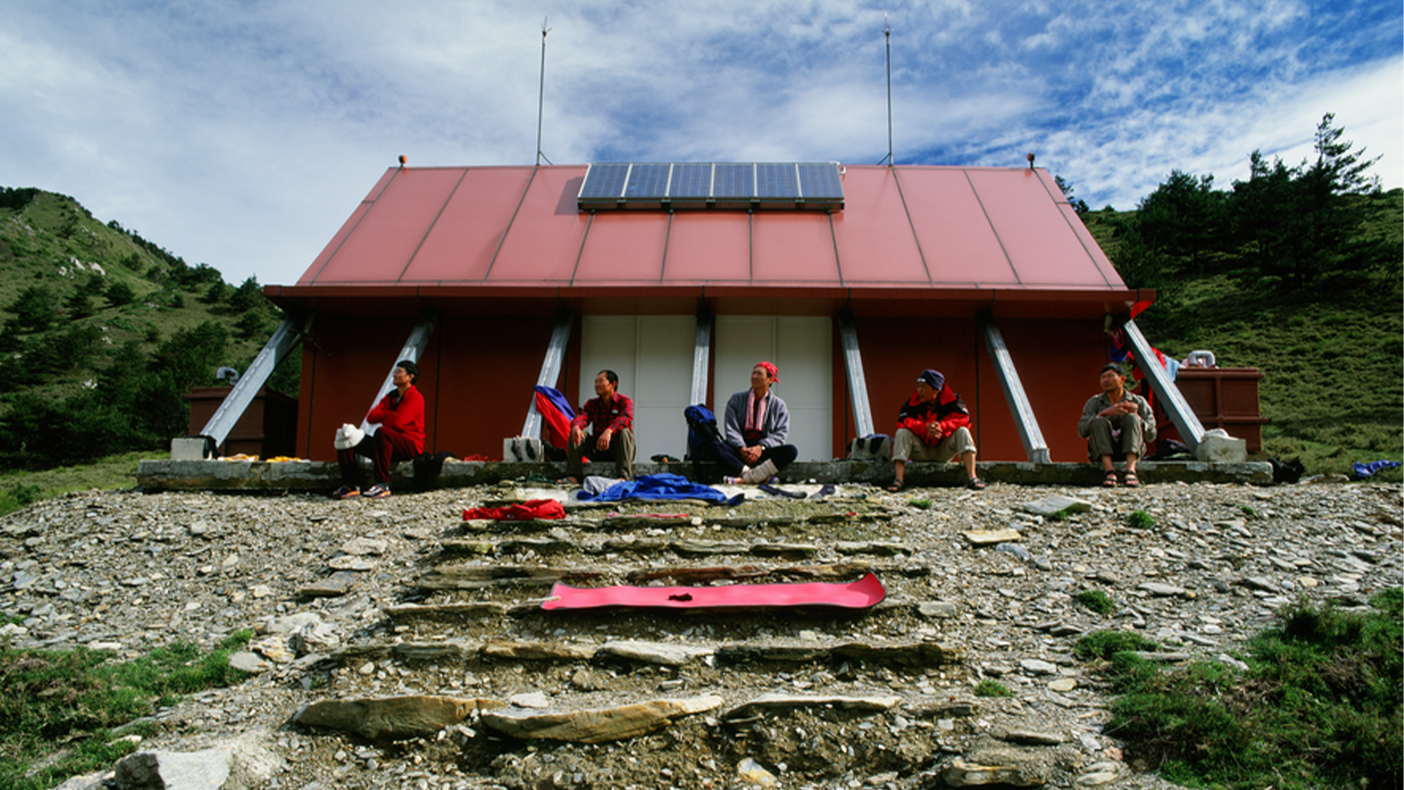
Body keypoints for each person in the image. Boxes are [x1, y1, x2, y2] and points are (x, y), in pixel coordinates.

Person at [332, 359, 425, 499]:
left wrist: (385, 415)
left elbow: (399, 423)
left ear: (410, 377)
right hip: (386, 444)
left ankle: (382, 484)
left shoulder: (415, 398)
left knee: (382, 432)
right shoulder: (392, 396)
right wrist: (390, 415)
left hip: (409, 444)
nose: (394, 374)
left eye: (398, 372)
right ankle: (350, 484)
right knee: (346, 435)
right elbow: (371, 416)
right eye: (395, 371)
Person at [889, 369, 985, 491]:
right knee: (902, 432)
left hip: (943, 450)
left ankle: (973, 478)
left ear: (936, 390)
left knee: (963, 431)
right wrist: (924, 428)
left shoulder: (953, 402)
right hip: (921, 450)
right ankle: (898, 479)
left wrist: (942, 427)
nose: (919, 391)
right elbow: (902, 422)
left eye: (924, 387)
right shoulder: (912, 403)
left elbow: (965, 419)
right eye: (918, 386)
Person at [714, 361, 799, 484]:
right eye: (753, 373)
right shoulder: (736, 399)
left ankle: (743, 480)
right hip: (741, 448)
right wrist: (741, 447)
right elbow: (731, 428)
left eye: (759, 374)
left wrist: (761, 448)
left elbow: (780, 434)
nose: (754, 377)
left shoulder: (779, 405)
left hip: (764, 448)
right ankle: (759, 477)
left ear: (770, 380)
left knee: (791, 450)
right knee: (716, 447)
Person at [1078, 363, 1156, 487]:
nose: (1106, 380)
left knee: (1132, 418)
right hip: (1100, 452)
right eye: (1103, 377)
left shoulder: (1138, 401)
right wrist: (1103, 413)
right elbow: (1081, 431)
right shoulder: (1094, 402)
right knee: (1098, 420)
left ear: (1122, 379)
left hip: (1132, 449)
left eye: (1110, 376)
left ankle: (1130, 470)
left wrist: (1137, 417)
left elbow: (1151, 435)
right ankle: (1109, 470)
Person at [563, 369, 635, 484]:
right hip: (598, 449)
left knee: (624, 432)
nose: (596, 385)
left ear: (613, 384)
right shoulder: (592, 404)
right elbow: (583, 416)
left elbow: (626, 417)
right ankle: (573, 476)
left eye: (601, 381)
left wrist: (609, 431)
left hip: (619, 451)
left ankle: (624, 477)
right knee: (577, 433)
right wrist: (576, 427)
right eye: (595, 382)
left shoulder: (625, 401)